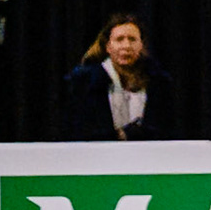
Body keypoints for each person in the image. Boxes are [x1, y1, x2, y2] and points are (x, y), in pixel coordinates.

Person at [62, 13, 174, 141]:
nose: (126, 46)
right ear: (108, 46)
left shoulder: (158, 82)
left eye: (132, 39)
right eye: (119, 39)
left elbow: (166, 130)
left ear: (141, 45)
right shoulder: (85, 82)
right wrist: (121, 135)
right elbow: (77, 130)